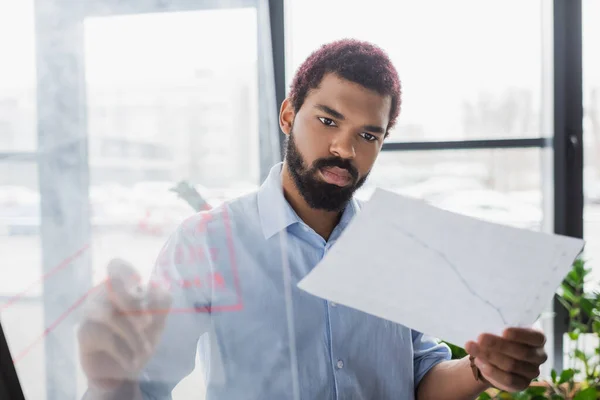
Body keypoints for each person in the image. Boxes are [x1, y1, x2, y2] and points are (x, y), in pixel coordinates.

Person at [79, 39, 548, 400]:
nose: (345, 149)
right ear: (288, 115)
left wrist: (482, 370)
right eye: (327, 121)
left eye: (368, 134)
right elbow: (146, 385)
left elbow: (420, 380)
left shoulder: (395, 246)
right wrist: (108, 379)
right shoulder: (206, 243)